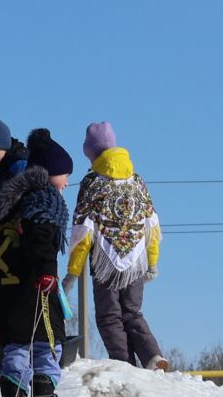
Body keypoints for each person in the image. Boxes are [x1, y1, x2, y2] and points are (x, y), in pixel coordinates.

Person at [0, 128, 75, 397]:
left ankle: (14, 393)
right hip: (34, 284)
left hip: (3, 287)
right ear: (49, 171)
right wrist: (47, 271)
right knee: (46, 341)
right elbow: (41, 236)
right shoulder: (44, 197)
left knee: (17, 344)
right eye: (65, 174)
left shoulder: (5, 200)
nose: (66, 182)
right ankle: (44, 394)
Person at [68, 121, 168, 370]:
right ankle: (152, 356)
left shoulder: (92, 184)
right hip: (136, 260)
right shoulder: (137, 181)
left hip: (105, 262)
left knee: (109, 315)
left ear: (90, 152)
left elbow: (83, 232)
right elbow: (152, 225)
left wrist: (73, 270)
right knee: (132, 313)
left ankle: (124, 364)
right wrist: (153, 261)